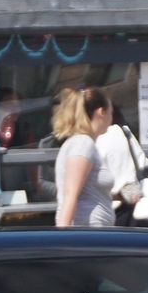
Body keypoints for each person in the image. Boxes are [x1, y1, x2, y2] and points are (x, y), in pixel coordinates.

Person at [52, 88, 121, 228]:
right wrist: (62, 236)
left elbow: (86, 190)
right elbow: (70, 193)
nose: (112, 117)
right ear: (102, 112)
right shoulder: (82, 143)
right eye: (111, 112)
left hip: (92, 231)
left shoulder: (84, 143)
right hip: (86, 232)